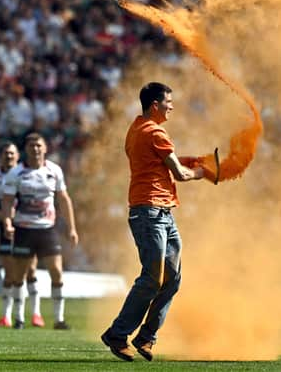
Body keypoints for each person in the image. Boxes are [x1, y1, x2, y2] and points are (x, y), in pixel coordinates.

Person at [101, 82, 207, 362]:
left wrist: (186, 164)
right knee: (153, 278)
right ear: (155, 105)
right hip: (150, 213)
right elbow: (182, 175)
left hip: (160, 213)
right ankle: (117, 334)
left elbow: (157, 163)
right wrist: (205, 172)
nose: (172, 106)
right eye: (168, 102)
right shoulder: (155, 131)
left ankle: (146, 337)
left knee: (171, 279)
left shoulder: (136, 129)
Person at [1, 133, 79, 330]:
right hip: (24, 230)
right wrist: (8, 223)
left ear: (45, 148)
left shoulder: (54, 170)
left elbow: (64, 199)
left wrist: (72, 228)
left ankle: (59, 319)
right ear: (25, 150)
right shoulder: (15, 173)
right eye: (31, 146)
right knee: (19, 276)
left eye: (38, 145)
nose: (35, 149)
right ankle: (19, 318)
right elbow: (7, 201)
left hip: (47, 229)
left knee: (57, 271)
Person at [0, 142, 44, 328]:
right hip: (5, 228)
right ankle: (7, 316)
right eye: (6, 153)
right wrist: (1, 215)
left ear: (18, 155)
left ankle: (36, 314)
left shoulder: (26, 174)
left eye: (12, 153)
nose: (9, 156)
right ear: (0, 156)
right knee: (10, 271)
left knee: (31, 269)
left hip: (27, 226)